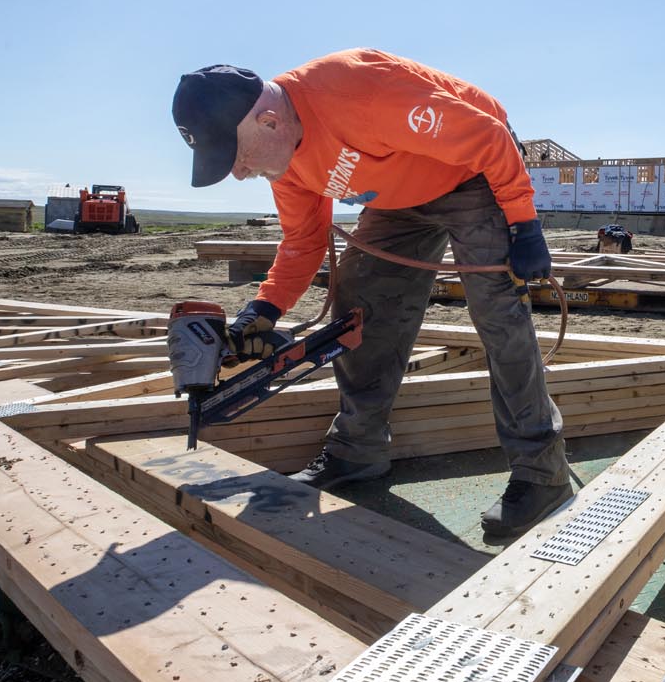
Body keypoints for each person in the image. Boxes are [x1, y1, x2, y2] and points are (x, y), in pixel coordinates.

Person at [171, 48, 573, 537]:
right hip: (397, 196)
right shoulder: (285, 162)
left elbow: (486, 139)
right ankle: (356, 450)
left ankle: (541, 472)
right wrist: (262, 311)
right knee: (360, 305)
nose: (238, 173)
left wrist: (524, 223)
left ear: (270, 121)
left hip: (472, 170)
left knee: (497, 311)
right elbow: (302, 242)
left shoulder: (357, 92)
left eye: (238, 156)